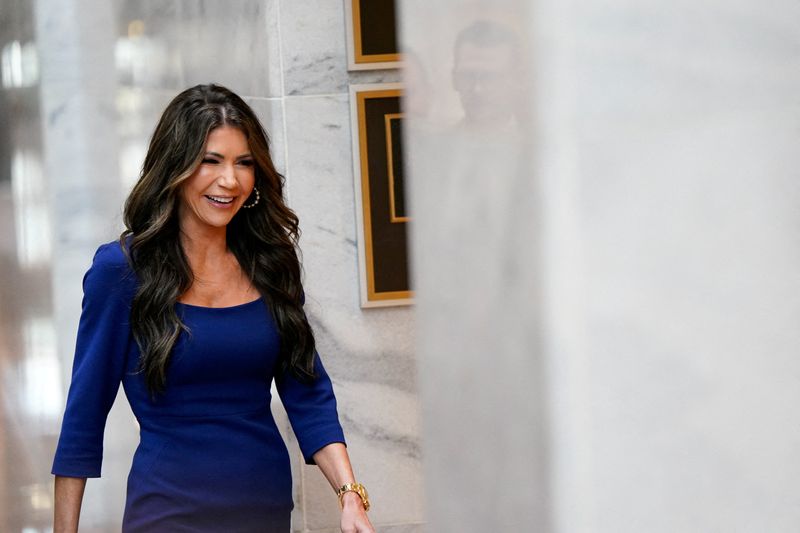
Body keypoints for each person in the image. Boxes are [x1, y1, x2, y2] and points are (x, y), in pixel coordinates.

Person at [51, 84, 375, 533]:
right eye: (211, 160)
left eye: (244, 163)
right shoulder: (122, 270)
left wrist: (349, 496)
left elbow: (308, 391)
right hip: (166, 512)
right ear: (176, 167)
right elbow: (85, 411)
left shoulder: (270, 263)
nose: (230, 180)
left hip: (264, 507)